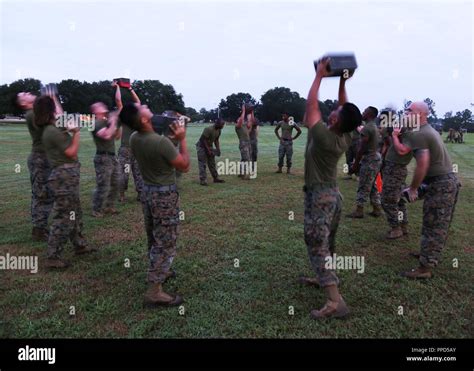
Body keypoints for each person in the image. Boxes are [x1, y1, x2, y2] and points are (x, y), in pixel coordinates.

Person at [299, 58, 362, 319]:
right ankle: (323, 277)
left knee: (317, 244)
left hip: (320, 197)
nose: (332, 112)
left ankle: (335, 301)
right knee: (328, 243)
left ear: (336, 122)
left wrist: (320, 76)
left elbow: (311, 106)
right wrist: (342, 81)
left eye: (335, 114)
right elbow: (343, 107)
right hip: (334, 196)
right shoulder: (346, 134)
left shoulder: (324, 137)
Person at [119, 102, 190, 306]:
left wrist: (171, 141)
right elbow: (184, 166)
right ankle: (154, 291)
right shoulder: (159, 142)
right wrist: (182, 140)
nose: (145, 105)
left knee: (154, 235)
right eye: (140, 106)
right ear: (143, 119)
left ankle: (162, 270)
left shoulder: (134, 138)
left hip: (148, 193)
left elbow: (161, 151)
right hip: (164, 196)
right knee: (165, 241)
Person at [392, 102, 460, 279]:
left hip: (441, 183)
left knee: (434, 224)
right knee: (434, 223)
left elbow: (422, 164)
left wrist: (413, 188)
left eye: (410, 111)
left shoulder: (421, 133)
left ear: (422, 115)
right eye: (406, 110)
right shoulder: (424, 130)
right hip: (440, 181)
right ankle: (427, 254)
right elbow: (404, 149)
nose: (406, 112)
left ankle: (424, 268)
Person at [36, 96, 95, 268]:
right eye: (53, 107)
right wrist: (76, 132)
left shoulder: (52, 128)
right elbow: (71, 152)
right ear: (50, 111)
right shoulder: (52, 131)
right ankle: (53, 256)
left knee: (74, 212)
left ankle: (80, 245)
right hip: (64, 177)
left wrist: (55, 99)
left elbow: (62, 117)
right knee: (64, 216)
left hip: (66, 175)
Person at [16, 92, 54, 241]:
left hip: (44, 157)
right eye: (24, 94)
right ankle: (39, 230)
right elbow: (53, 123)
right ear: (23, 103)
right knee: (41, 194)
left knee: (44, 192)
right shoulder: (32, 114)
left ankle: (40, 226)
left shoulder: (37, 112)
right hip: (40, 158)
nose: (28, 93)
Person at [379, 110, 413, 239]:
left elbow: (402, 150)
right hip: (394, 168)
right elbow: (385, 132)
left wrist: (394, 134)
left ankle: (396, 228)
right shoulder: (403, 133)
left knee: (387, 200)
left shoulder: (409, 134)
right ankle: (403, 225)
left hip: (395, 170)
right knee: (399, 200)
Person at [346, 106, 382, 218]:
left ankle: (359, 210)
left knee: (363, 185)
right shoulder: (374, 126)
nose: (363, 112)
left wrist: (356, 164)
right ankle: (377, 208)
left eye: (365, 111)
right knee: (372, 185)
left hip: (369, 159)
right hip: (375, 158)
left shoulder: (367, 128)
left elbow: (361, 147)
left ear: (370, 114)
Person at [90, 98, 121, 217]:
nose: (103, 106)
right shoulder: (94, 123)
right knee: (103, 185)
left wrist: (117, 123)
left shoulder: (107, 122)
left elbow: (117, 137)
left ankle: (109, 206)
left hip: (113, 157)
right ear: (95, 111)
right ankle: (96, 209)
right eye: (100, 106)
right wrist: (113, 121)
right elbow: (107, 136)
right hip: (103, 157)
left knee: (116, 183)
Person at [115, 83, 144, 203]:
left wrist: (117, 87)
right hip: (135, 149)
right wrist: (130, 88)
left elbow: (118, 100)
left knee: (125, 172)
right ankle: (140, 195)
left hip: (126, 150)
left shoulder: (123, 116)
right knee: (138, 172)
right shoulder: (136, 116)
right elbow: (138, 102)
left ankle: (122, 196)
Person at [196, 118, 225, 185]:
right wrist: (208, 150)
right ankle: (203, 180)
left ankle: (215, 178)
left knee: (212, 163)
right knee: (202, 164)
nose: (223, 126)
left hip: (209, 146)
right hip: (201, 147)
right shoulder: (208, 129)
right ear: (217, 123)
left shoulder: (219, 130)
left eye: (223, 124)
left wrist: (218, 149)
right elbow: (203, 140)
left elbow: (216, 140)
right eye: (222, 124)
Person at [235, 104, 252, 180]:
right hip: (243, 143)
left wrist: (251, 111)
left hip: (248, 143)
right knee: (246, 159)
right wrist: (244, 110)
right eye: (239, 119)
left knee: (244, 158)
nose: (240, 119)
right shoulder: (237, 127)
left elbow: (250, 121)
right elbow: (241, 119)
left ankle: (241, 172)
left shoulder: (245, 125)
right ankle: (245, 174)